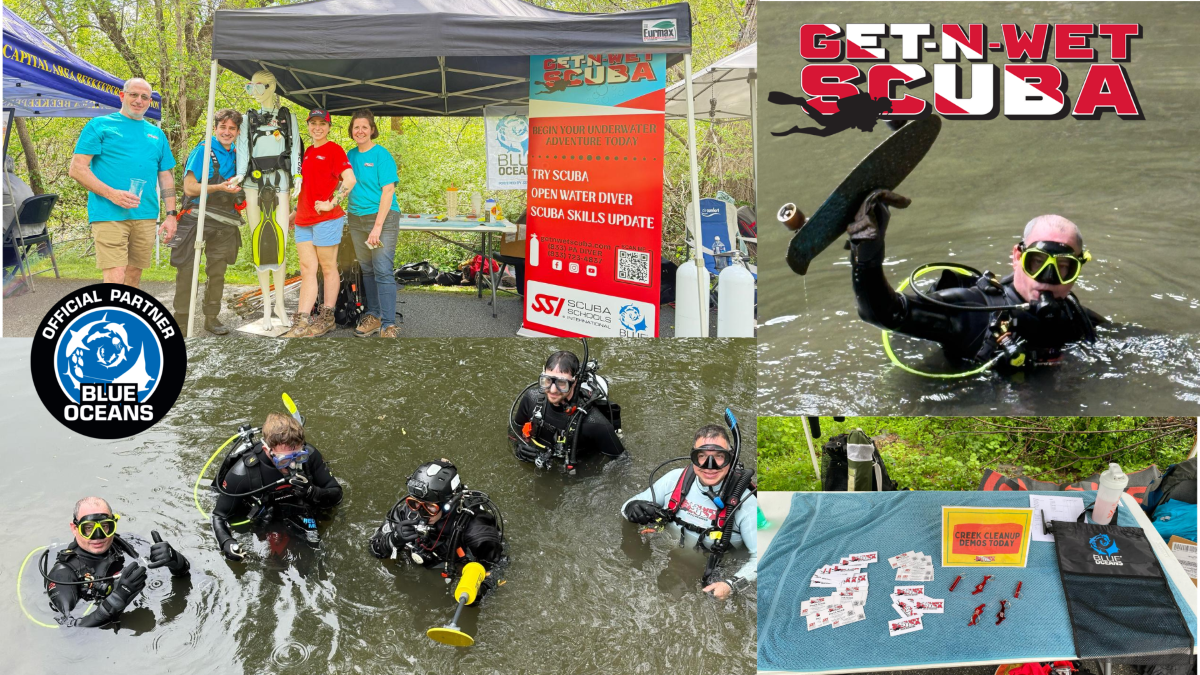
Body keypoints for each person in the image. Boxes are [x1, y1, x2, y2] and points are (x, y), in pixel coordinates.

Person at [847, 190, 1106, 372]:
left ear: (1078, 269)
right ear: (1017, 257)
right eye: (1037, 263)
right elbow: (884, 313)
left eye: (1064, 268)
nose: (1049, 280)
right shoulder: (972, 312)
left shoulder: (1079, 322)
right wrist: (867, 257)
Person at [622, 424, 757, 600]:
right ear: (693, 457)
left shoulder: (748, 503)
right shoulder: (674, 480)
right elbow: (626, 508)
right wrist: (632, 508)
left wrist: (731, 585)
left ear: (730, 458)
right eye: (702, 456)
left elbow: (764, 556)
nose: (710, 466)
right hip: (671, 561)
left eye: (719, 457)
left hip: (717, 571)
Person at [69, 78, 176, 287]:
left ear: (150, 102)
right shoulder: (100, 125)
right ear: (122, 96)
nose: (139, 100)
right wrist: (112, 194)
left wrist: (171, 215)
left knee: (134, 275)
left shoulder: (156, 134)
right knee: (116, 276)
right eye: (134, 95)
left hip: (145, 214)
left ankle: (127, 318)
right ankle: (111, 317)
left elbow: (165, 176)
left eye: (145, 97)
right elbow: (77, 169)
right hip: (109, 213)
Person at [210, 412, 343, 561]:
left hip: (302, 509)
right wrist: (226, 542)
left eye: (298, 457)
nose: (293, 465)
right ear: (268, 450)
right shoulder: (243, 473)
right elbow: (219, 516)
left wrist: (313, 492)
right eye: (284, 460)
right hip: (265, 516)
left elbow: (337, 494)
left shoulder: (310, 455)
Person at [43, 497, 190, 627]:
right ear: (75, 529)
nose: (98, 536)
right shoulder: (62, 575)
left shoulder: (130, 543)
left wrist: (176, 560)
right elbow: (70, 627)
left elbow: (184, 574)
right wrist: (118, 598)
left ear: (113, 524)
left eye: (105, 526)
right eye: (88, 528)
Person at [369, 459, 505, 599]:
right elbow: (374, 548)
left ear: (449, 504)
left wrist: (480, 590)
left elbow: (498, 566)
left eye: (430, 507)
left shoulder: (475, 528)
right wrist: (393, 540)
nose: (421, 513)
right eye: (415, 504)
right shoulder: (406, 512)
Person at [169, 109, 245, 335]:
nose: (227, 132)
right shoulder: (203, 151)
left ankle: (211, 317)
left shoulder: (238, 154)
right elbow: (189, 187)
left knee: (218, 272)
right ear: (215, 129)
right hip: (196, 218)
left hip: (225, 221)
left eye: (232, 128)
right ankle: (181, 320)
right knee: (188, 270)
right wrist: (219, 187)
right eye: (223, 127)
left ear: (238, 132)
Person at [281, 109, 355, 338]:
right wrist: (295, 213)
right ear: (309, 126)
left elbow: (350, 180)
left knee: (328, 267)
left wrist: (332, 203)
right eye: (313, 123)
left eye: (322, 123)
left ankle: (326, 318)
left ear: (329, 127)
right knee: (307, 269)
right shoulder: (307, 152)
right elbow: (308, 188)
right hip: (303, 219)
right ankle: (301, 321)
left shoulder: (334, 150)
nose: (317, 127)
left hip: (326, 220)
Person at [509, 345, 625, 471]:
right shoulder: (531, 399)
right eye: (547, 381)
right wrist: (519, 446)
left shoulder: (595, 423)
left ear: (574, 382)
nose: (552, 390)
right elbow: (514, 430)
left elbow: (622, 461)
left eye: (561, 383)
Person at [345, 109, 401, 338]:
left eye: (364, 127)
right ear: (352, 131)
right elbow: (342, 187)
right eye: (356, 127)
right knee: (367, 269)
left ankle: (388, 324)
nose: (360, 131)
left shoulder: (381, 155)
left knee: (382, 270)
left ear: (372, 130)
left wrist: (377, 227)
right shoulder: (349, 155)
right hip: (356, 220)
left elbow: (388, 191)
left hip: (382, 220)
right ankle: (374, 316)